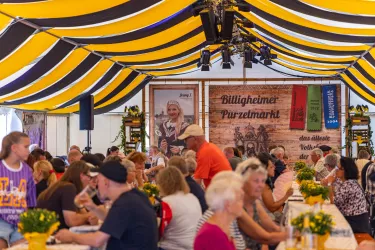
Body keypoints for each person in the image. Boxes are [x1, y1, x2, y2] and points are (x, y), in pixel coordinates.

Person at [55, 160, 158, 250]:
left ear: (106, 182)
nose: (96, 185)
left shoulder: (124, 204)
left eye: (97, 181)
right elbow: (111, 218)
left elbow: (97, 240)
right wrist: (92, 207)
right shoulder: (136, 196)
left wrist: (71, 236)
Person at [235, 158, 283, 250]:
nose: (261, 185)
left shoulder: (252, 202)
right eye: (256, 181)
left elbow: (268, 232)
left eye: (262, 181)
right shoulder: (236, 205)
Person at [0, 132, 36, 249]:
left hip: (20, 220)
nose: (28, 151)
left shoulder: (27, 171)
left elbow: (30, 200)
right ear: (14, 148)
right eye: (25, 147)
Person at [37, 161, 94, 230]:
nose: (90, 180)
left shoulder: (63, 186)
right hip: (53, 236)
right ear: (81, 176)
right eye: (89, 177)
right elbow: (71, 221)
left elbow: (84, 215)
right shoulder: (68, 188)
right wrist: (92, 214)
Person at [194, 172, 244, 250]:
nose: (242, 203)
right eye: (240, 199)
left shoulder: (223, 227)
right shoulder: (211, 235)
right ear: (228, 204)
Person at [157, 166, 202, 250]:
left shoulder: (167, 202)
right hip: (194, 245)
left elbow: (158, 232)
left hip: (173, 246)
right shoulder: (192, 197)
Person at [324, 157, 370, 233]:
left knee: (327, 231)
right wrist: (332, 183)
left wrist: (329, 183)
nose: (336, 170)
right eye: (337, 168)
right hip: (353, 221)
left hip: (356, 225)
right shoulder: (348, 182)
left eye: (339, 168)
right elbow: (337, 194)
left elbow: (333, 204)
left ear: (347, 170)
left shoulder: (349, 185)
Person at [258, 152, 293, 221]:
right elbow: (272, 208)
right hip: (268, 220)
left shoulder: (265, 182)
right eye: (271, 166)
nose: (274, 168)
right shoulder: (264, 186)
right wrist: (286, 196)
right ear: (264, 169)